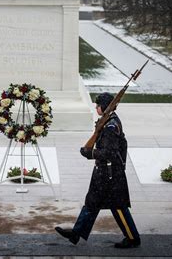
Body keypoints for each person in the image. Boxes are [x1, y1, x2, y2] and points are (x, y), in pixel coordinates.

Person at [55, 92, 141, 249]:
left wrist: (90, 153)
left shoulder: (110, 126)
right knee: (91, 203)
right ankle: (75, 234)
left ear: (104, 107)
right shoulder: (108, 121)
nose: (96, 108)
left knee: (118, 206)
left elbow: (109, 152)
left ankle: (133, 238)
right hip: (104, 173)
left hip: (111, 175)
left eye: (98, 105)